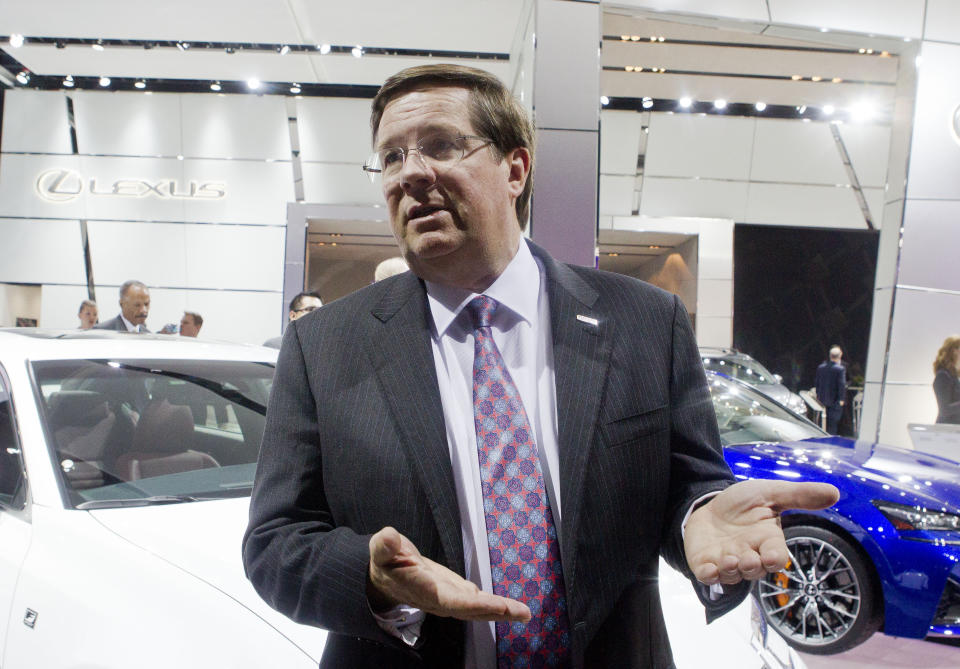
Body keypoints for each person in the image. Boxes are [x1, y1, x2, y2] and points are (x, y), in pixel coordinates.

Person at [243, 64, 838, 668]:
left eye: (442, 145)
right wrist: (371, 579)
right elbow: (274, 544)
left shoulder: (644, 323)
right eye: (391, 157)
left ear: (516, 169)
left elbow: (691, 485)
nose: (412, 172)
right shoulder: (324, 347)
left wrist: (699, 518)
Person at [815, 346, 847, 434]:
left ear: (830, 356)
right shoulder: (840, 369)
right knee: (832, 425)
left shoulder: (821, 367)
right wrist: (841, 399)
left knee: (822, 424)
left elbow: (817, 383)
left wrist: (818, 395)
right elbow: (841, 384)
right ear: (840, 355)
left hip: (822, 400)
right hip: (835, 401)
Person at [933, 335, 960, 424]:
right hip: (947, 431)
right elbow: (944, 409)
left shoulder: (955, 376)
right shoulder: (943, 376)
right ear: (953, 351)